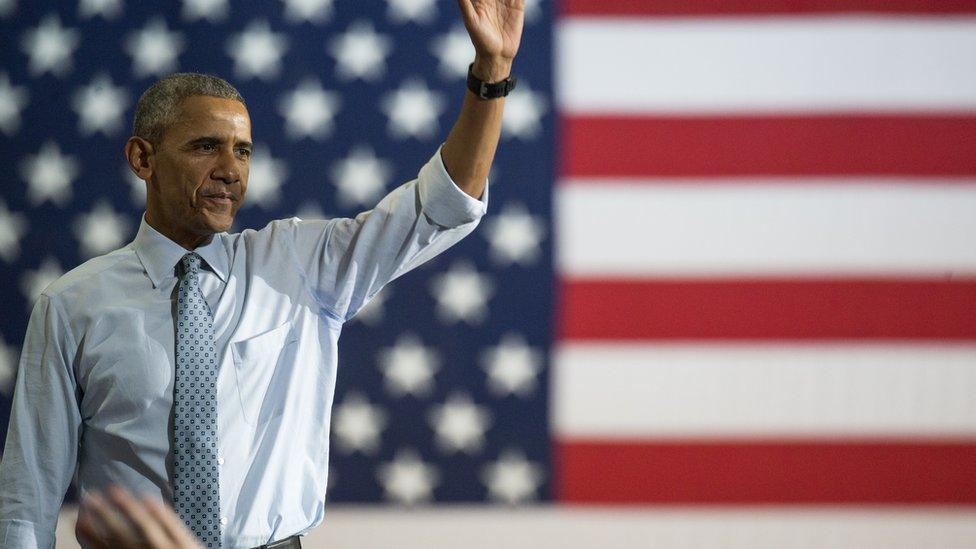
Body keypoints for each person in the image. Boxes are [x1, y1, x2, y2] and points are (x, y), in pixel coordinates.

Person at [0, 1, 525, 547]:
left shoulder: (298, 264)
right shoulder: (71, 305)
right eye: (206, 147)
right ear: (142, 158)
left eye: (243, 151)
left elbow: (442, 205)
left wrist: (491, 74)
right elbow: (27, 501)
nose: (230, 170)